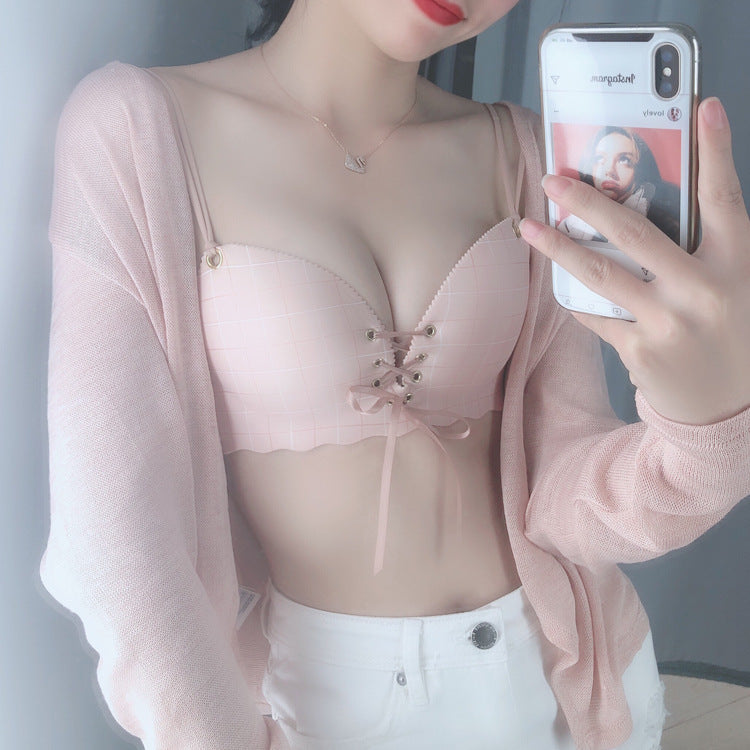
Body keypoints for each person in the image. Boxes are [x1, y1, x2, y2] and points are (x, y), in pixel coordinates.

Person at [38, 1, 750, 749]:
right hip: (321, 711)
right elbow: (116, 544)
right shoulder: (136, 131)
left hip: (568, 689)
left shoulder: (525, 154)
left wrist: (707, 429)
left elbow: (565, 497)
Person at [558, 126, 681, 244]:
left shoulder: (667, 228)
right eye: (600, 159)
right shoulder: (569, 227)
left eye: (624, 160)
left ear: (639, 172)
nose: (610, 170)